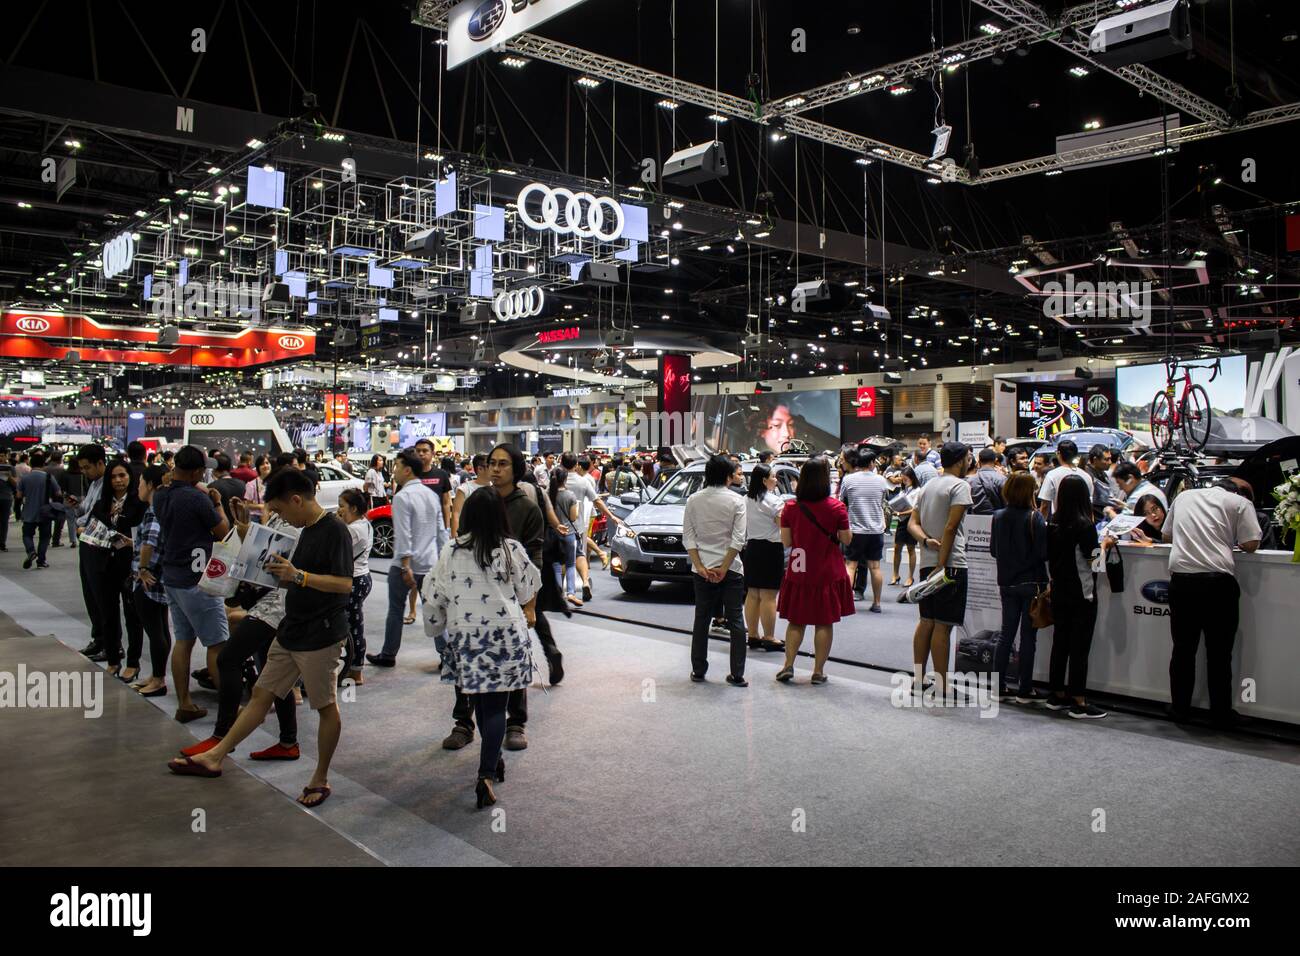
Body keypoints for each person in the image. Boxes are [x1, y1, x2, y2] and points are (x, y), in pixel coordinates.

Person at [169, 466, 353, 809]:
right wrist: (269, 564)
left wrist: (297, 576)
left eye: (282, 510)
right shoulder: (302, 531)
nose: (281, 517)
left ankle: (320, 777)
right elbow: (291, 578)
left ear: (297, 499)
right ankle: (216, 755)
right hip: (292, 627)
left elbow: (344, 585)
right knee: (260, 693)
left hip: (321, 633)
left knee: (325, 706)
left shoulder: (334, 531)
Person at [424, 486, 542, 809]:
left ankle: (492, 763)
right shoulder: (510, 550)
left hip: (468, 639)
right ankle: (487, 772)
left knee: (480, 702)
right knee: (495, 709)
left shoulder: (450, 551)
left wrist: (434, 629)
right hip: (506, 637)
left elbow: (433, 595)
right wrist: (527, 610)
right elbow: (531, 585)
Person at [443, 444, 548, 751]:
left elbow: (536, 560)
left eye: (503, 464)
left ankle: (515, 723)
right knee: (466, 662)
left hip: (510, 602)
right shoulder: (477, 502)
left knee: (512, 664)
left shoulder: (528, 508)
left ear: (516, 470)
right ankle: (464, 722)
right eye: (492, 463)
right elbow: (463, 544)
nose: (496, 469)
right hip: (472, 601)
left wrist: (531, 606)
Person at [1162, 476, 1261, 727]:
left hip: (1182, 583)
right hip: (1218, 585)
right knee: (1219, 653)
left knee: (1183, 649)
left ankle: (1180, 708)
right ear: (1237, 491)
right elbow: (1250, 544)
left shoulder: (1183, 497)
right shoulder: (1239, 502)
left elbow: (1166, 537)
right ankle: (1220, 712)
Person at [153, 444, 230, 723]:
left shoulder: (160, 497)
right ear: (197, 471)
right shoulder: (198, 499)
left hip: (172, 576)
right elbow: (222, 531)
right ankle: (230, 708)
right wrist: (217, 502)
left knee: (183, 641)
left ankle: (185, 702)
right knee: (218, 644)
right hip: (198, 580)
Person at [775, 457, 855, 684]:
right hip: (828, 569)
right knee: (824, 622)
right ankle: (818, 672)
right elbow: (847, 540)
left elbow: (786, 541)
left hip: (799, 569)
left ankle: (788, 665)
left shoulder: (790, 507)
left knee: (796, 621)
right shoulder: (837, 507)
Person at [907, 442, 974, 699]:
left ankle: (918, 679)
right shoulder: (959, 486)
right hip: (951, 564)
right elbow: (950, 528)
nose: (970, 461)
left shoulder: (928, 486)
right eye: (968, 457)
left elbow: (913, 523)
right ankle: (943, 685)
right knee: (943, 626)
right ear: (960, 460)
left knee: (926, 621)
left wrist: (925, 541)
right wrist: (943, 563)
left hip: (927, 561)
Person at [367, 450, 440, 668]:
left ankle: (388, 654)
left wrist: (406, 565)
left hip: (403, 566)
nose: (394, 471)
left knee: (396, 610)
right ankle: (448, 656)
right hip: (429, 564)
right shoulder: (431, 495)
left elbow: (404, 534)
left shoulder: (402, 497)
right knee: (435, 611)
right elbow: (440, 531)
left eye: (397, 466)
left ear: (408, 470)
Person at [683, 454, 750, 686]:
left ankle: (699, 670)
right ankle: (737, 674)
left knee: (701, 619)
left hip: (701, 570)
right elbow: (738, 539)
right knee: (736, 620)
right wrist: (724, 567)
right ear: (727, 476)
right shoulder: (736, 501)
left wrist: (700, 567)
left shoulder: (693, 499)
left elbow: (688, 538)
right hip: (731, 569)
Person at [1042, 475, 1106, 718]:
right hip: (1082, 594)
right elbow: (1095, 563)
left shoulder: (1053, 524)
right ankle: (1079, 700)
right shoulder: (1085, 526)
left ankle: (1056, 695)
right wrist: (1106, 545)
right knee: (1079, 648)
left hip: (1059, 590)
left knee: (1060, 644)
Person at [989, 472, 1049, 703]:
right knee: (1027, 638)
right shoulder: (1035, 518)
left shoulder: (998, 516)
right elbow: (1042, 553)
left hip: (1006, 582)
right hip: (1031, 583)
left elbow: (994, 550)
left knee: (1006, 635)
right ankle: (1025, 689)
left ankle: (999, 686)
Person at [85, 460, 146, 680]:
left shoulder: (139, 504)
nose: (118, 480)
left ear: (130, 477)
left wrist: (129, 541)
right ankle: (112, 660)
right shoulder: (102, 504)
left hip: (129, 567)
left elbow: (144, 535)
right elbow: (90, 527)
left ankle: (133, 663)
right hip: (103, 566)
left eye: (122, 475)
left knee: (133, 616)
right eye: (114, 477)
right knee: (108, 615)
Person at [129, 466, 171, 698]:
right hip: (161, 578)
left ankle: (158, 680)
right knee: (162, 630)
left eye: (141, 483)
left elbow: (150, 542)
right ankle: (157, 675)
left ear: (151, 485)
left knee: (156, 632)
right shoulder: (163, 509)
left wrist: (143, 569)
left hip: (149, 580)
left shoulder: (153, 511)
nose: (138, 487)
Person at [839, 449, 890, 610]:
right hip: (876, 530)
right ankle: (877, 603)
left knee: (850, 565)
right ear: (871, 463)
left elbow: (842, 502)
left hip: (855, 529)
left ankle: (844, 603)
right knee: (875, 567)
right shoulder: (881, 480)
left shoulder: (848, 480)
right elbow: (883, 500)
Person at [742, 464, 785, 652]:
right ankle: (769, 636)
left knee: (752, 594)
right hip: (771, 548)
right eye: (773, 476)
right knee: (768, 595)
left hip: (751, 548)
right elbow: (783, 525)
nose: (776, 479)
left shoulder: (745, 499)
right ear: (764, 480)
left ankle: (752, 635)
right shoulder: (774, 501)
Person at [73, 445, 108, 658]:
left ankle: (110, 643)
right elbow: (87, 510)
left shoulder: (108, 486)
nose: (84, 471)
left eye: (87, 467)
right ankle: (98, 639)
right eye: (82, 468)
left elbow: (99, 515)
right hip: (86, 542)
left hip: (99, 545)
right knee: (90, 594)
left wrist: (82, 524)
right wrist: (76, 507)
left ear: (100, 463)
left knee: (101, 596)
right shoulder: (94, 483)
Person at [337, 488, 373, 685]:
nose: (339, 510)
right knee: (354, 624)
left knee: (354, 626)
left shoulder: (353, 530)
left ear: (353, 508)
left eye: (342, 506)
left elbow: (337, 552)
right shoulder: (364, 524)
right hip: (363, 577)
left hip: (355, 581)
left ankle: (356, 670)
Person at [17, 450, 59, 569]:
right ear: (43, 465)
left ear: (31, 463)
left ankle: (31, 551)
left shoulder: (25, 478)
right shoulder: (49, 477)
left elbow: (19, 496)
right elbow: (58, 492)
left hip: (28, 512)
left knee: (27, 535)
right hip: (45, 512)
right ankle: (41, 560)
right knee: (45, 537)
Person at [548, 466, 582, 607]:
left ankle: (557, 595)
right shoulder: (570, 495)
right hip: (568, 534)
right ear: (565, 479)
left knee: (555, 565)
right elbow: (573, 517)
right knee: (570, 564)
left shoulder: (547, 494)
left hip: (552, 534)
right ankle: (571, 593)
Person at [1036, 439, 1094, 518]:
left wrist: (1041, 525)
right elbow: (1089, 506)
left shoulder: (1052, 475)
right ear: (1076, 455)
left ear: (1058, 453)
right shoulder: (1086, 476)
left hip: (1060, 524)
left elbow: (1045, 505)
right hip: (1082, 525)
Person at [413, 438, 453, 548]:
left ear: (432, 454)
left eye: (425, 451)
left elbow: (446, 503)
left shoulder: (441, 474)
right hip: (415, 528)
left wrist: (447, 528)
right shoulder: (409, 475)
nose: (421, 454)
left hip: (437, 527)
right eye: (418, 451)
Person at [888, 467, 918, 587]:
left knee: (911, 548)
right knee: (897, 547)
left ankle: (910, 577)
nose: (903, 480)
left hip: (912, 521)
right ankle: (895, 575)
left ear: (911, 477)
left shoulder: (917, 491)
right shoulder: (903, 490)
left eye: (905, 478)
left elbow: (915, 510)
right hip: (901, 521)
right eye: (903, 478)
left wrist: (900, 513)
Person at [452, 454, 490, 536]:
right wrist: (455, 539)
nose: (495, 469)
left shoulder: (496, 488)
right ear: (480, 469)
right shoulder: (464, 489)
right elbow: (456, 515)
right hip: (468, 537)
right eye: (490, 465)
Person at [966, 447, 1007, 516]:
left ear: (979, 460)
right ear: (995, 460)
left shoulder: (970, 481)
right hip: (996, 520)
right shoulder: (1001, 479)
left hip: (975, 521)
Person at [208, 454, 246, 525]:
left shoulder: (212, 487)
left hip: (221, 527)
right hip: (239, 527)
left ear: (214, 468)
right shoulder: (242, 484)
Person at [44, 451, 70, 546]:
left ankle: (45, 539)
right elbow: (64, 485)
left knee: (46, 518)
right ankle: (56, 540)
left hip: (46, 496)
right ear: (60, 459)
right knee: (59, 519)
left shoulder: (44, 469)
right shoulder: (62, 470)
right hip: (59, 497)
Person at [0, 449, 15, 552]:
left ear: (6, 456)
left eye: (2, 455)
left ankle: (2, 543)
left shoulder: (10, 468)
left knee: (4, 522)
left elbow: (15, 484)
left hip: (6, 498)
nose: (0, 458)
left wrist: (9, 477)